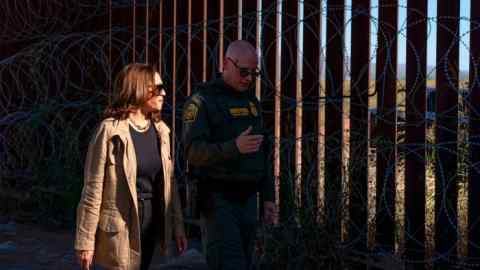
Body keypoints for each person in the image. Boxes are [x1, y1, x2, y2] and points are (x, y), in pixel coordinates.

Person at [75, 63, 187, 270]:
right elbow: (92, 188)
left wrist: (178, 228)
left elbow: (170, 185)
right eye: (158, 87)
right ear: (139, 89)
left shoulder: (161, 131)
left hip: (152, 221)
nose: (164, 93)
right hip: (121, 225)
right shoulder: (110, 131)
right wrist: (85, 241)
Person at [182, 40, 277, 270]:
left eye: (253, 73)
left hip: (248, 201)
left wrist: (268, 197)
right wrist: (234, 147)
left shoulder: (251, 102)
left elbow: (262, 152)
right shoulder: (202, 101)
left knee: (245, 262)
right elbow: (192, 152)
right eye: (243, 71)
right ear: (226, 63)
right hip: (218, 199)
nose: (248, 78)